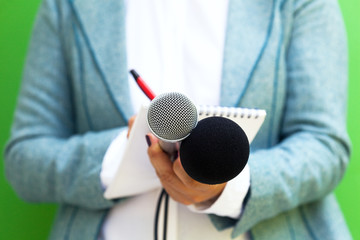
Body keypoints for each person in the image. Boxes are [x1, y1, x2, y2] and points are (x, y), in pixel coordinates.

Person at [4, 0, 352, 239]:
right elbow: (24, 160)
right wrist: (127, 156)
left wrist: (227, 184)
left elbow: (323, 144)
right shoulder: (71, 7)